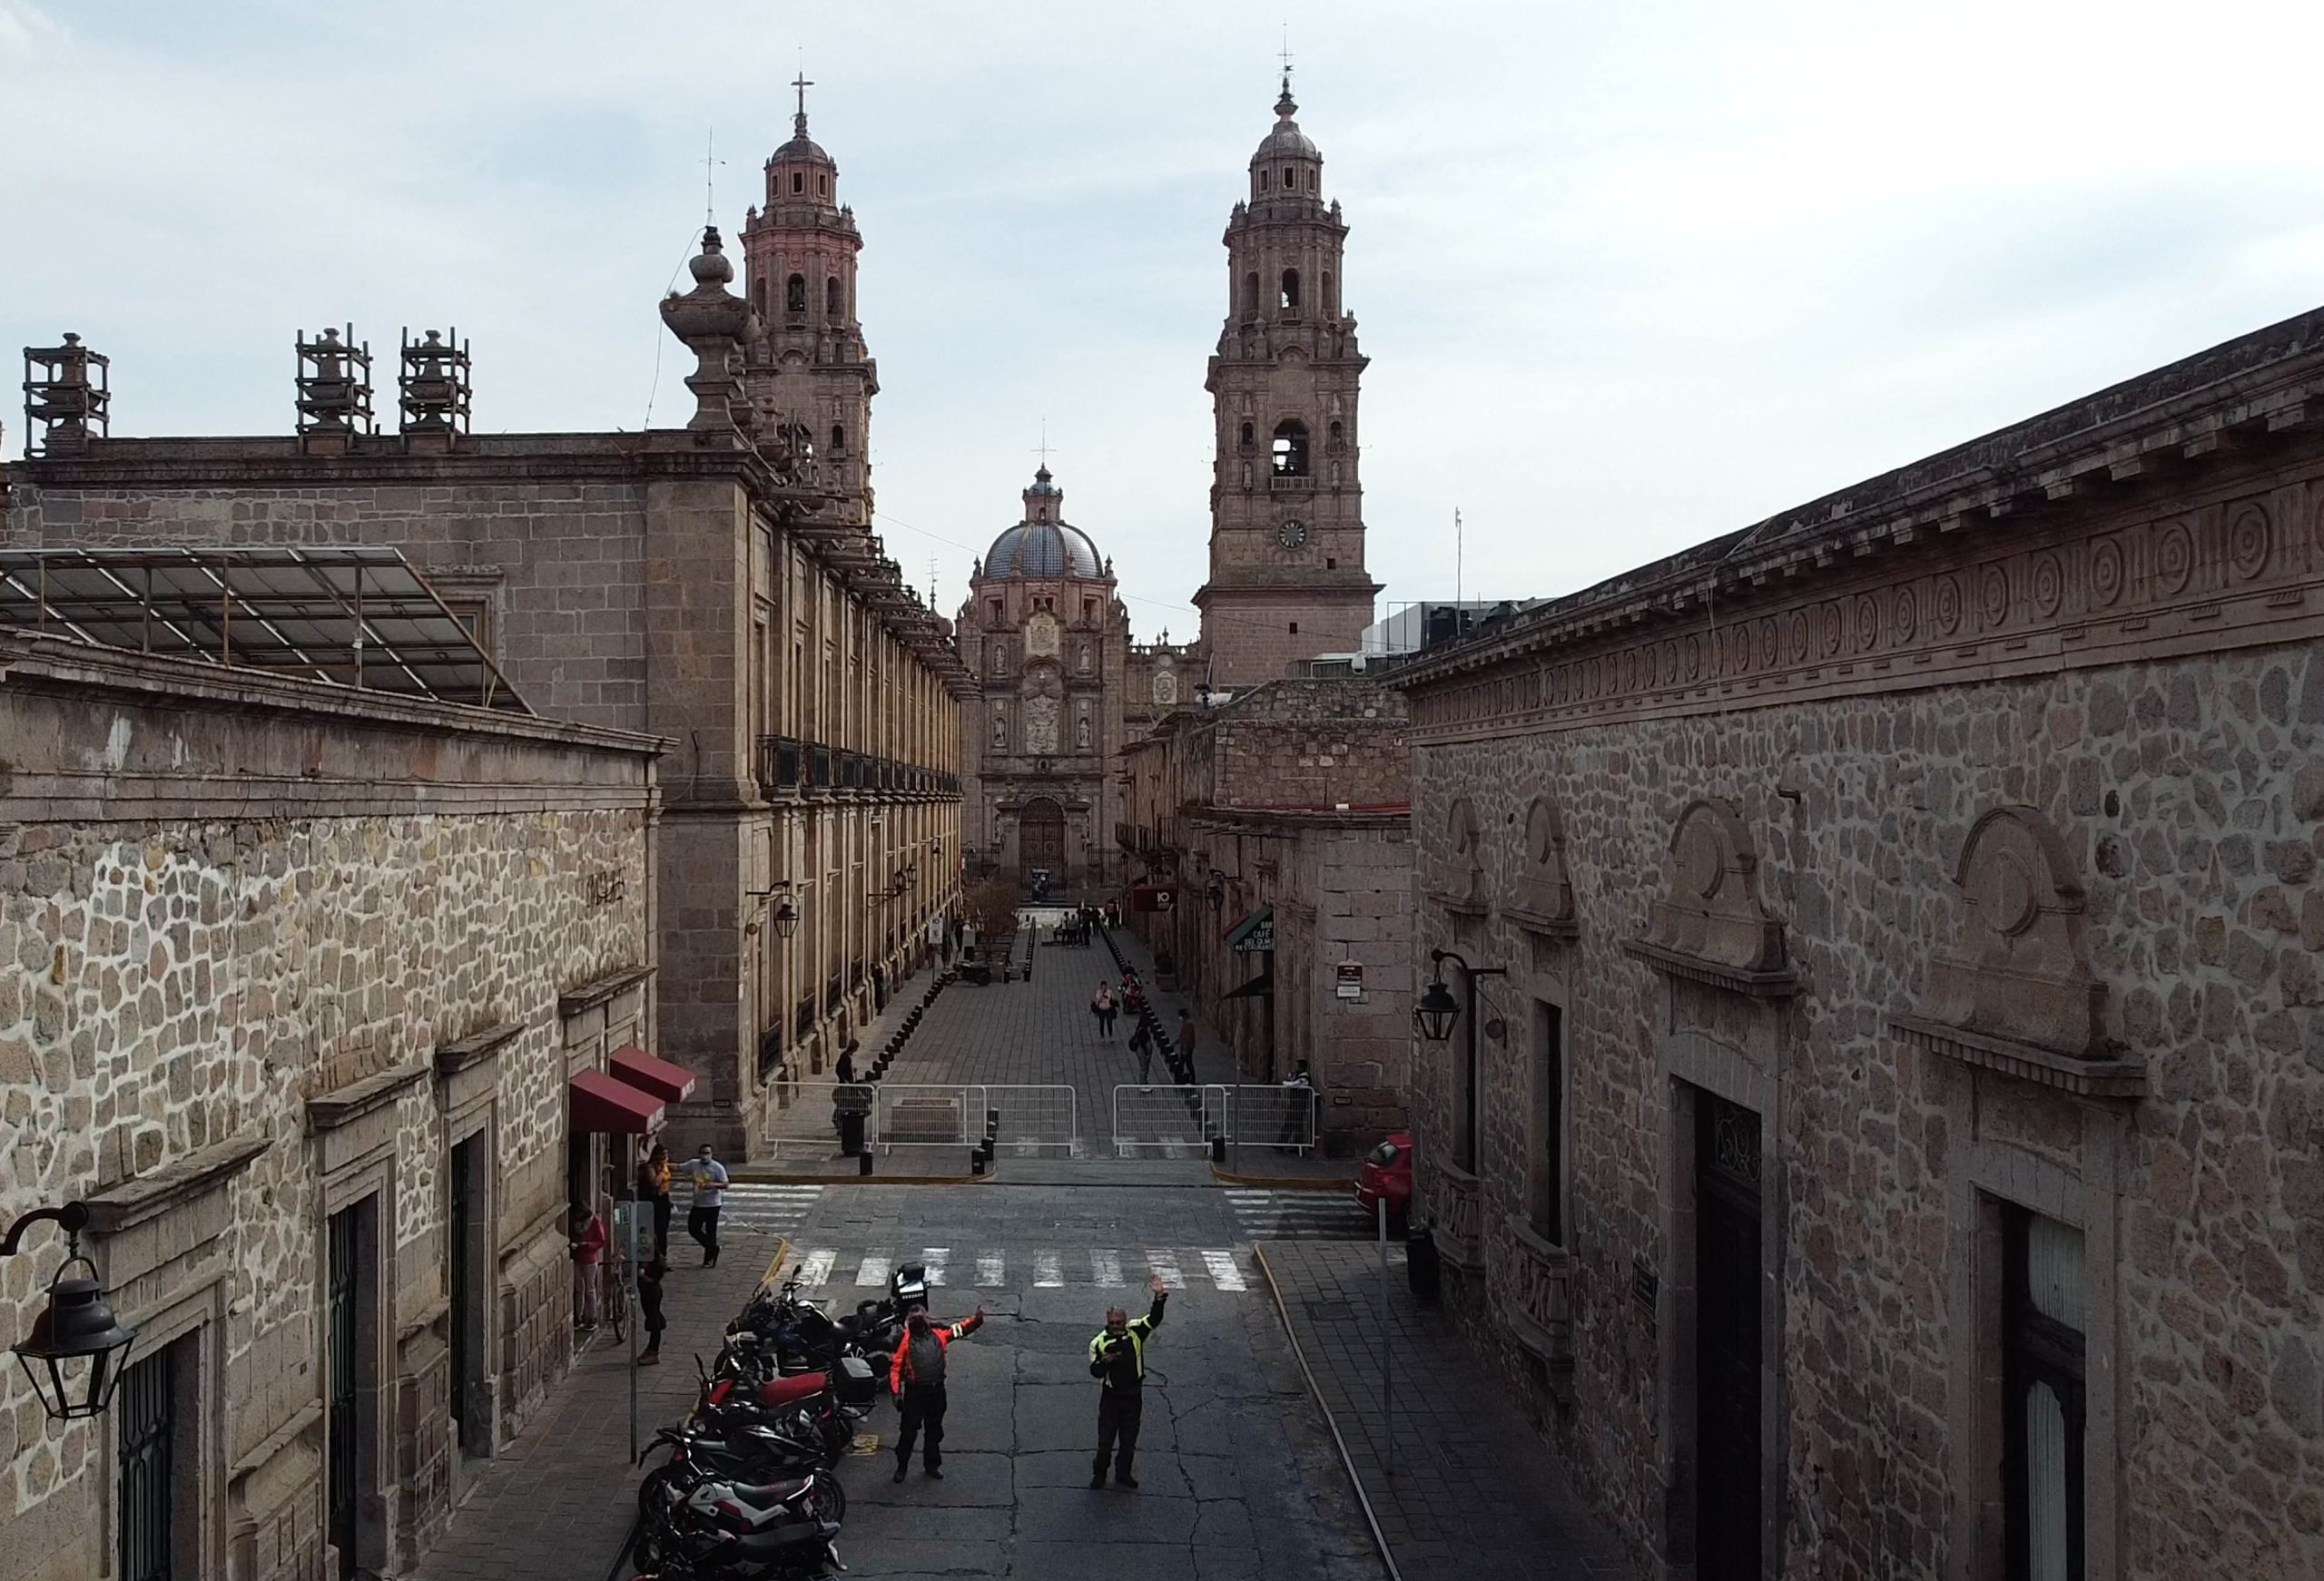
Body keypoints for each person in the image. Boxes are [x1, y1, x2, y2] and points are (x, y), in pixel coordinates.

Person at [889, 1303, 985, 1482]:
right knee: (908, 1433)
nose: (917, 1320)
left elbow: (960, 1329)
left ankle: (931, 1465)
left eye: (920, 1317)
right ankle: (902, 1466)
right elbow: (896, 1368)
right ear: (910, 1321)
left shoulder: (939, 1334)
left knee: (934, 1431)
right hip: (915, 1394)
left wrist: (976, 1321)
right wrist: (896, 1393)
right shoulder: (904, 1341)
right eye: (914, 1318)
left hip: (936, 1391)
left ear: (925, 1318)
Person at [1088, 1275, 1168, 1489]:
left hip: (1133, 1396)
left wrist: (1159, 1296)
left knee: (1128, 1440)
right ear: (1107, 1322)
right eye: (1112, 1323)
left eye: (1120, 1323)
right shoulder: (1098, 1343)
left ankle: (1123, 1473)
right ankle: (1099, 1473)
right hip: (1111, 1398)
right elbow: (1094, 1371)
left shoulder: (1135, 1332)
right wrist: (1106, 1362)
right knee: (1105, 1441)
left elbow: (1154, 1319)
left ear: (1125, 1321)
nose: (1116, 1327)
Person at [686, 1144, 729, 1268]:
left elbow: (725, 1184)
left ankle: (709, 1258)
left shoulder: (717, 1167)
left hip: (712, 1204)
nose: (704, 1156)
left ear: (711, 1154)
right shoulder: (693, 1164)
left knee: (711, 1231)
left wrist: (712, 1185)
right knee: (693, 1229)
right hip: (698, 1204)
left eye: (707, 1153)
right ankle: (713, 1248)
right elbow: (678, 1167)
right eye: (702, 1153)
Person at [569, 1204, 606, 1331]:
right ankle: (578, 1317)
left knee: (590, 1289)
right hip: (577, 1258)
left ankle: (592, 1317)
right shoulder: (575, 1222)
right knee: (579, 1288)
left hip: (590, 1259)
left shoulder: (595, 1221)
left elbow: (601, 1241)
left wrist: (587, 1244)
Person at [635, 1144, 674, 1260]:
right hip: (654, 1200)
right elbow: (655, 1183)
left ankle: (663, 1256)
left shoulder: (664, 1166)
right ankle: (656, 1257)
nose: (665, 1157)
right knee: (657, 1229)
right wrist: (662, 1172)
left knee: (663, 1230)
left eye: (666, 1154)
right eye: (662, 1154)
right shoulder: (651, 1167)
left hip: (664, 1199)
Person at [636, 1257, 669, 1365]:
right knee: (652, 1317)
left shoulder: (650, 1253)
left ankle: (654, 1352)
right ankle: (651, 1348)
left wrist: (650, 1277)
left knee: (653, 1320)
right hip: (649, 1289)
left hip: (651, 1290)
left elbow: (660, 1264)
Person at [1278, 1060, 1315, 1149]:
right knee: (1295, 1125)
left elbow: (1293, 1085)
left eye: (1297, 1066)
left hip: (1299, 1105)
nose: (1295, 1068)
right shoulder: (1298, 1076)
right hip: (1295, 1104)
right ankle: (1295, 1145)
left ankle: (1283, 1143)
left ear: (1301, 1068)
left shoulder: (1304, 1078)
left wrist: (1285, 1083)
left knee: (1291, 1124)